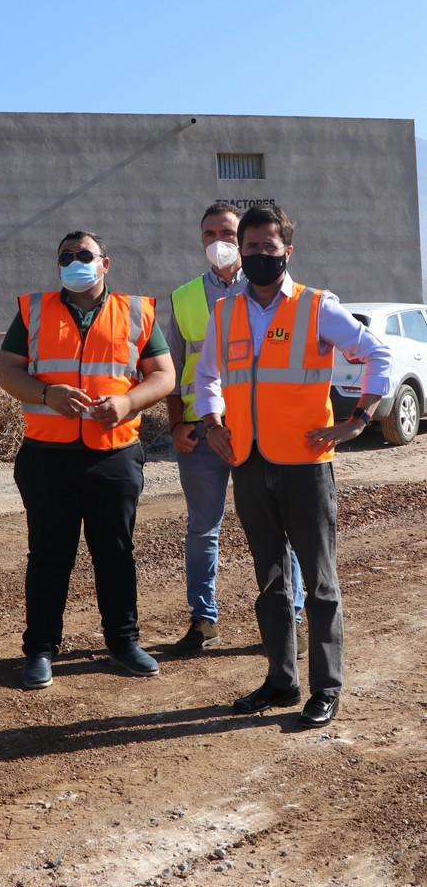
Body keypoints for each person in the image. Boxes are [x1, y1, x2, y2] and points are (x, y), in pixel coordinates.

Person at [195, 205, 392, 728]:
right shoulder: (225, 313)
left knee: (320, 583)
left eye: (268, 247)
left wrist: (359, 418)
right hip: (249, 462)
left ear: (287, 251)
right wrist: (212, 423)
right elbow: (207, 375)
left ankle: (326, 688)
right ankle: (282, 680)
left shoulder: (316, 307)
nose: (259, 255)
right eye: (251, 247)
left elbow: (378, 354)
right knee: (270, 580)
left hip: (306, 464)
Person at [0, 229, 175, 689]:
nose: (76, 261)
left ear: (105, 263)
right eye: (67, 256)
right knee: (49, 556)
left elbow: (163, 375)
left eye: (85, 255)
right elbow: (6, 370)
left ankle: (123, 642)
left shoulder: (135, 312)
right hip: (47, 457)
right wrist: (46, 393)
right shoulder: (34, 311)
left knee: (115, 554)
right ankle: (39, 650)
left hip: (113, 456)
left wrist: (130, 403)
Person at [167, 203, 306, 655]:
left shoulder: (269, 290)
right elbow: (173, 371)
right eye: (209, 234)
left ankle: (292, 619)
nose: (218, 241)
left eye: (226, 232)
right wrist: (178, 425)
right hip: (202, 433)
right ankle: (203, 620)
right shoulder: (183, 297)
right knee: (203, 529)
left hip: (257, 432)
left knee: (278, 530)